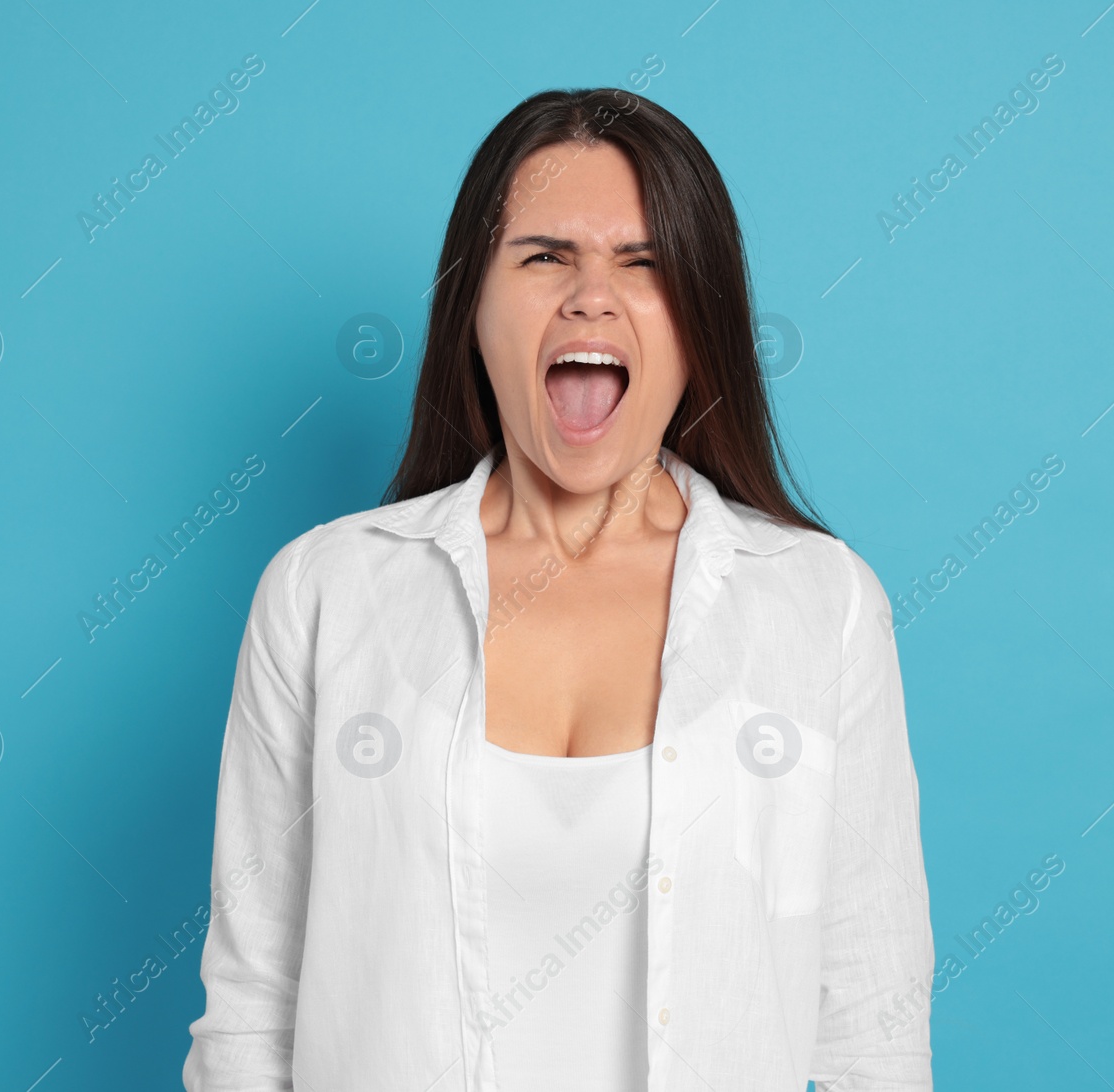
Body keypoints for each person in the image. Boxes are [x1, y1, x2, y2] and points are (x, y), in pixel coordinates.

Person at [183, 86, 933, 1092]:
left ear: (701, 324)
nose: (591, 298)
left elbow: (870, 1027)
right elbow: (250, 1015)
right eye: (543, 258)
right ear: (474, 307)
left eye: (645, 265)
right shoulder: (325, 592)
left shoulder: (820, 604)